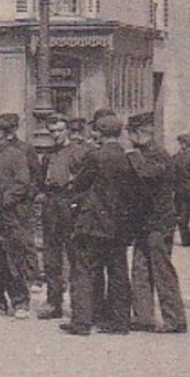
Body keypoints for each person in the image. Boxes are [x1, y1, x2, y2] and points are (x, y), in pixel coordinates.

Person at [62, 113, 135, 336]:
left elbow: (79, 184)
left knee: (83, 270)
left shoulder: (95, 157)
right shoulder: (128, 157)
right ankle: (120, 321)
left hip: (93, 222)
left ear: (98, 133)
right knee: (118, 272)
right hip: (118, 224)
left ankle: (82, 321)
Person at [126, 112, 187, 333]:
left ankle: (175, 320)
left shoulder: (157, 154)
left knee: (162, 270)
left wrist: (132, 157)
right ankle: (143, 317)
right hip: (143, 222)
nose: (130, 138)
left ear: (140, 133)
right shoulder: (143, 152)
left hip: (159, 222)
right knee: (140, 269)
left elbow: (147, 174)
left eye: (132, 133)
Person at [0, 114, 35, 319]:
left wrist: (2, 202)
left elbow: (22, 184)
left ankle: (20, 302)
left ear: (1, 134)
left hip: (10, 215)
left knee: (13, 259)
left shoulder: (15, 155)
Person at [36, 115, 80, 320]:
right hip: (52, 204)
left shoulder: (78, 153)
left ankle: (80, 303)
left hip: (69, 202)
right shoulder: (48, 155)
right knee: (51, 256)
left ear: (68, 130)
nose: (55, 135)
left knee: (74, 254)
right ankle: (54, 302)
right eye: (52, 131)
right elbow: (42, 182)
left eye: (59, 130)